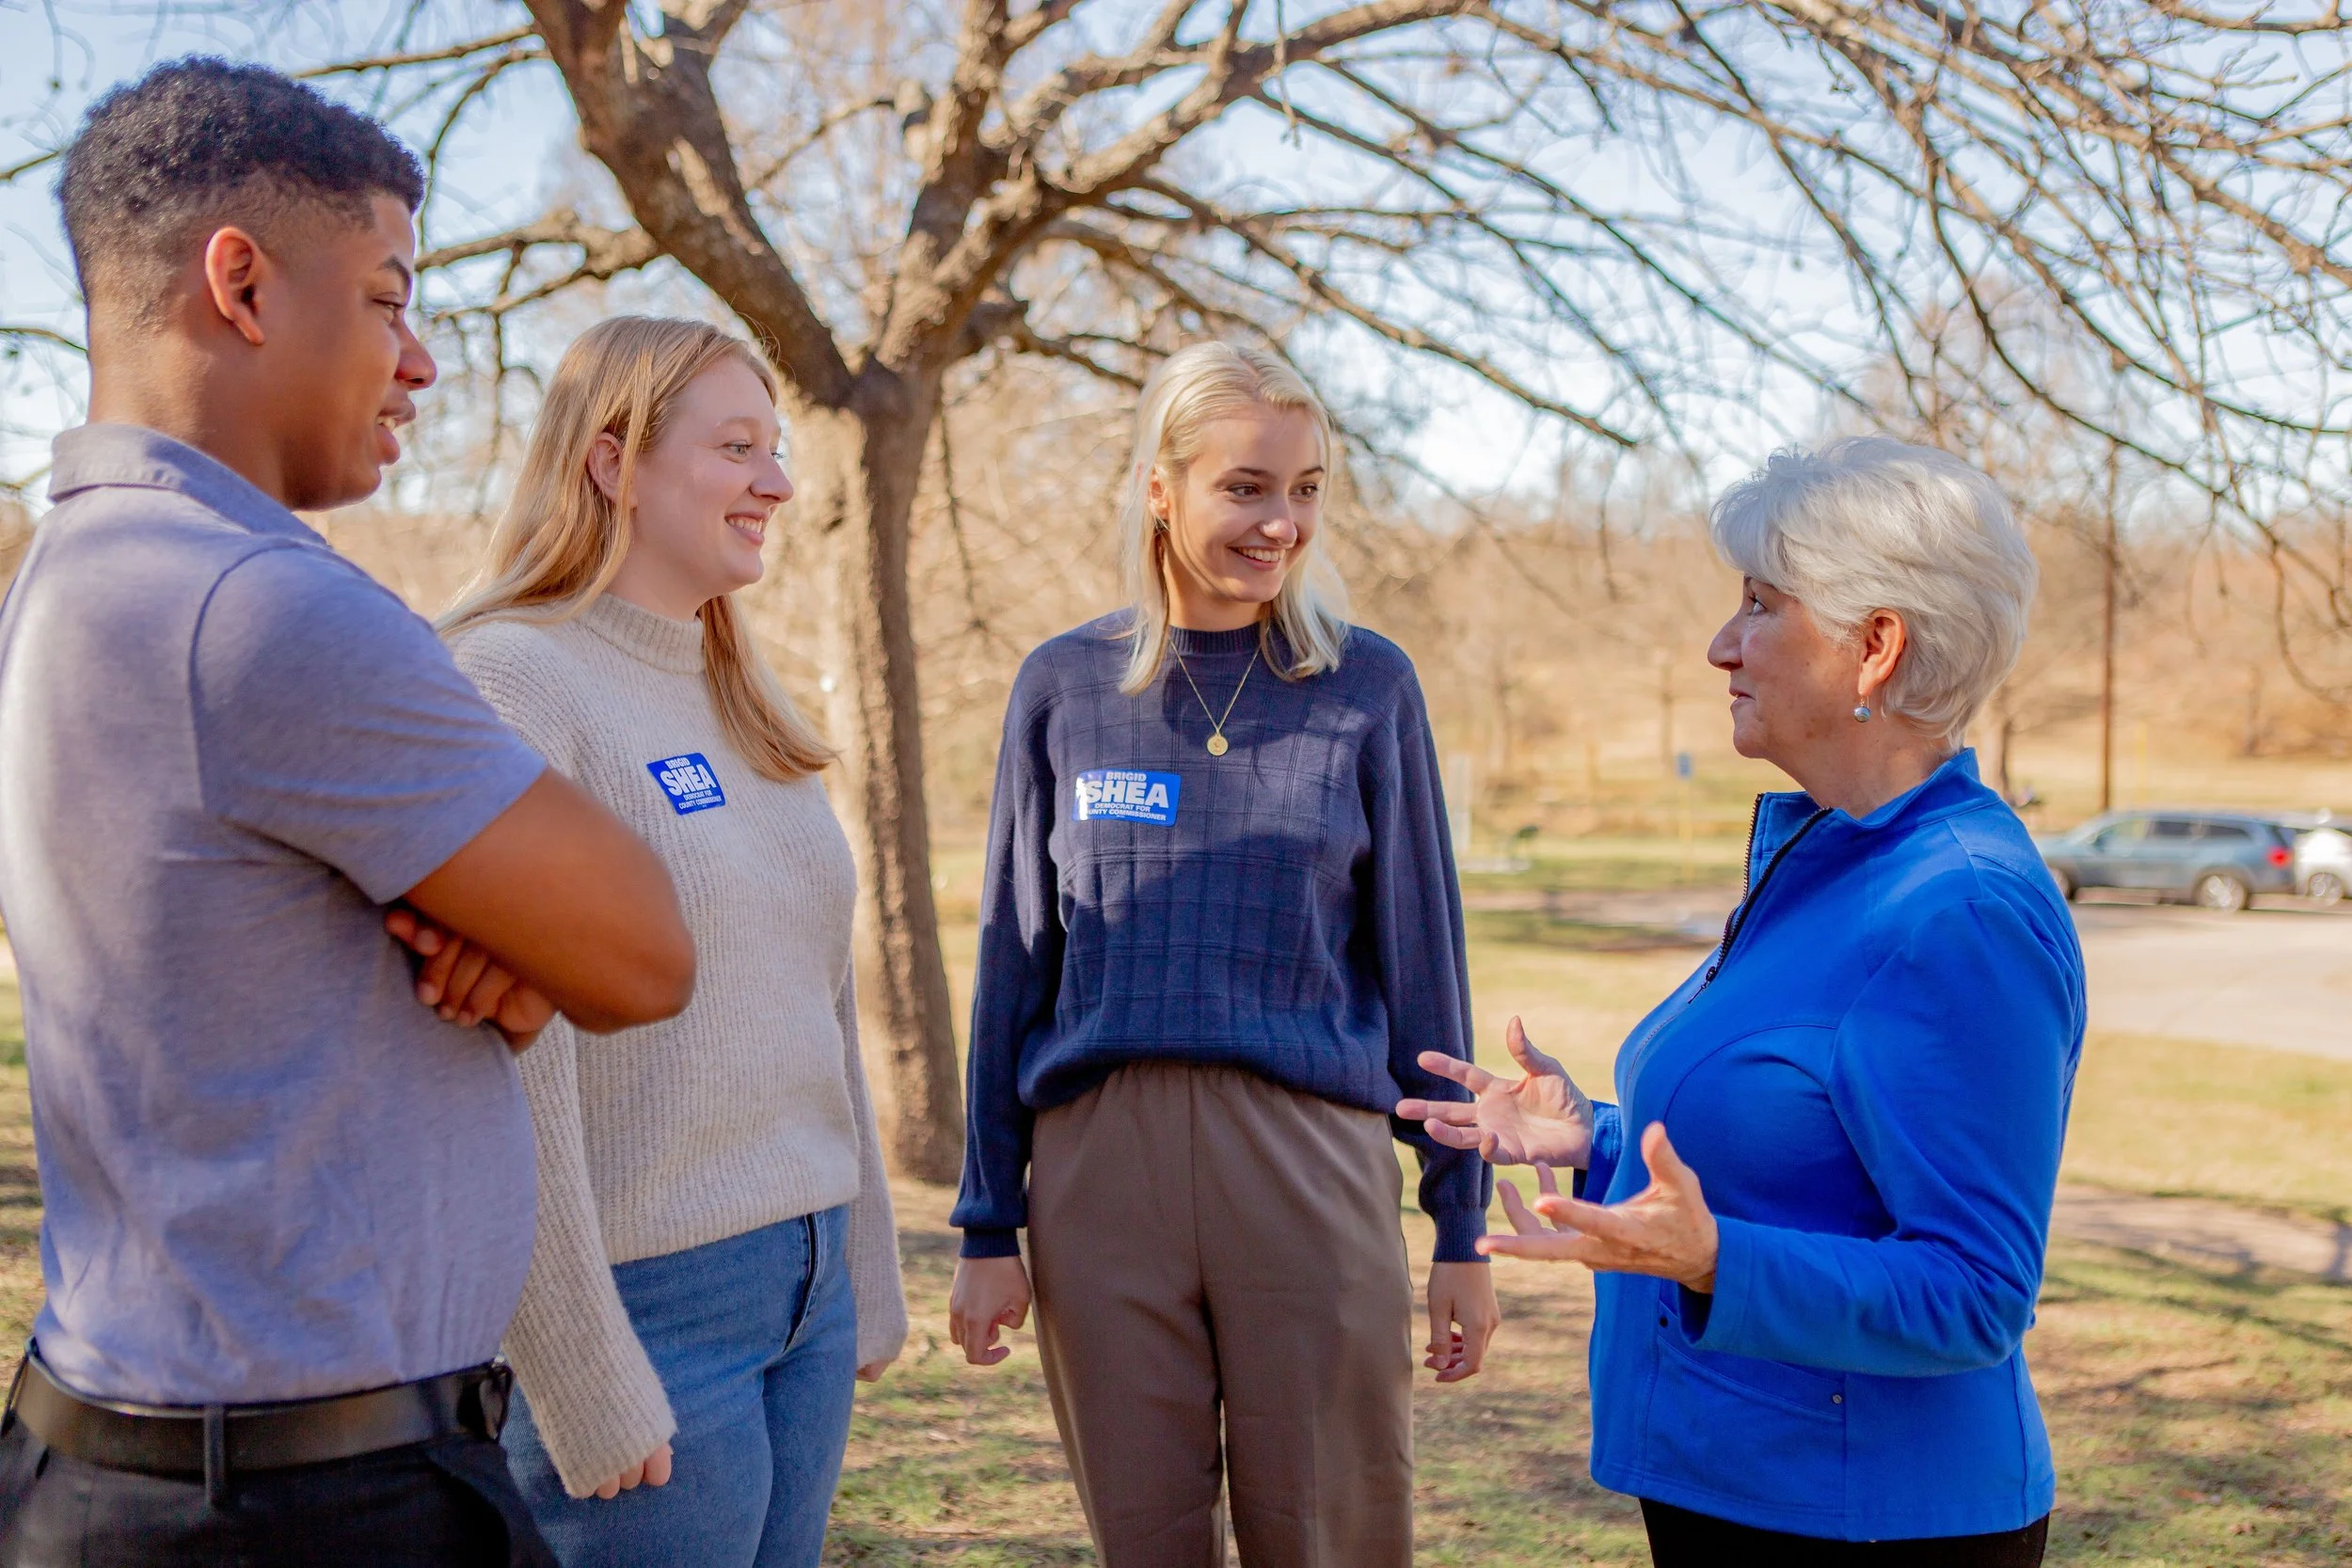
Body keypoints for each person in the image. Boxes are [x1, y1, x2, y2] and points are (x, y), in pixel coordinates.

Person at [0, 59, 697, 1567]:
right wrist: (534, 942)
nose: (422, 360)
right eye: (387, 299)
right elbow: (645, 951)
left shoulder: (74, 574)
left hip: (145, 1457)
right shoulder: (257, 602)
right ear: (240, 284)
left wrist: (509, 940)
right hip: (299, 1505)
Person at [1404, 437, 2081, 1566]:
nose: (1722, 644)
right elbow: (1799, 1156)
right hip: (1739, 1486)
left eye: (1762, 605)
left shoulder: (1958, 909)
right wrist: (1596, 1136)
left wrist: (1715, 1258)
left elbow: (1976, 1291)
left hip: (1872, 1519)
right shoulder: (1828, 857)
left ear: (1875, 647)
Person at [946, 341, 1499, 1568]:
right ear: (1163, 486)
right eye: (1247, 486)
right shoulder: (1064, 686)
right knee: (1144, 1539)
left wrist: (1461, 1227)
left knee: (1332, 1534)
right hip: (1100, 1173)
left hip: (1309, 1162)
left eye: (1305, 489)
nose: (1281, 522)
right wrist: (989, 1224)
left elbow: (1424, 966)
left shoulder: (1365, 685)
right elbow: (1012, 966)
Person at [433, 316, 907, 1568]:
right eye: (738, 446)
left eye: (779, 447)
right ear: (613, 461)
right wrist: (580, 1360)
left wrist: (860, 1257)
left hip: (804, 1280)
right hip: (647, 1303)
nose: (779, 482)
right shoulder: (514, 677)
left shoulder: (747, 693)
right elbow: (499, 1061)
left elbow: (815, 992)